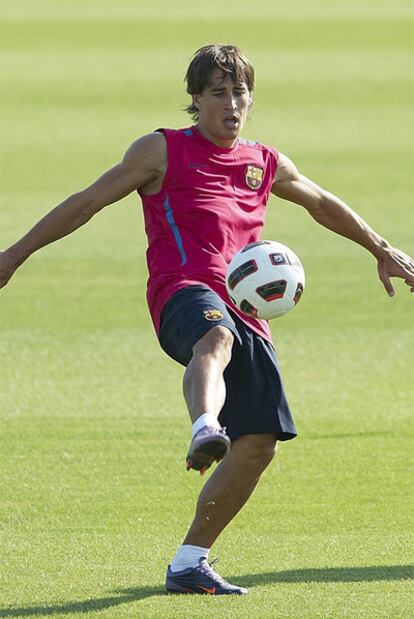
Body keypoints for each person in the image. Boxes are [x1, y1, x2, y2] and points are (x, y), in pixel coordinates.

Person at [1, 44, 413, 596]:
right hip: (182, 292)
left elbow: (320, 202)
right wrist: (13, 255)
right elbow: (86, 202)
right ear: (195, 99)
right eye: (218, 92)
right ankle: (204, 426)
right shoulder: (161, 151)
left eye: (240, 92)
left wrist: (380, 248)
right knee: (214, 335)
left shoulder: (262, 161)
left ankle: (190, 561)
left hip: (249, 310)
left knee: (261, 442)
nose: (232, 103)